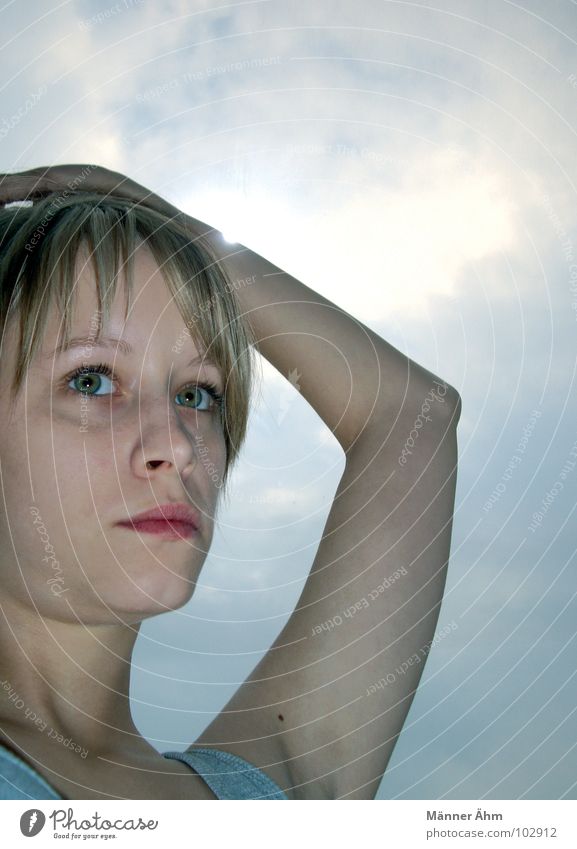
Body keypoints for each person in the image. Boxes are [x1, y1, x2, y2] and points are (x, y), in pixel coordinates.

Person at [0, 165, 461, 800]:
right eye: (92, 380)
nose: (176, 444)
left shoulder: (268, 798)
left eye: (197, 393)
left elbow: (414, 412)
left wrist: (160, 221)